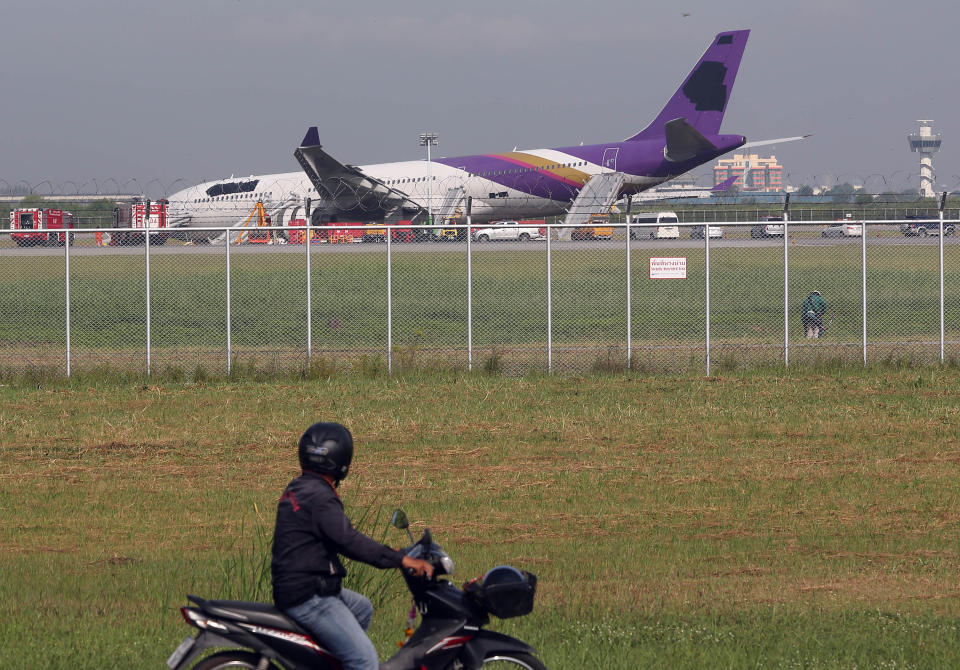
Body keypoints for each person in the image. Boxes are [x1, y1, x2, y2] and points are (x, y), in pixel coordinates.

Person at [271, 422, 433, 670]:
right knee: (363, 660)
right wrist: (400, 559)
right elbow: (350, 542)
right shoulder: (320, 497)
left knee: (361, 607)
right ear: (342, 460)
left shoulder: (300, 487)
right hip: (308, 596)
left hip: (298, 586)